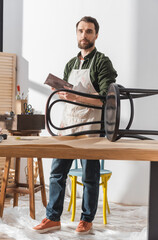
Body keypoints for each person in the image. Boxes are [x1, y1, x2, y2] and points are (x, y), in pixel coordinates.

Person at [33, 16, 117, 235]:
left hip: (91, 126)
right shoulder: (71, 63)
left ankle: (86, 220)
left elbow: (107, 98)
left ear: (96, 35)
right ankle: (53, 218)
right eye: (80, 31)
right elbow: (68, 94)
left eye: (89, 31)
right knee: (57, 173)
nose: (84, 35)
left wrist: (78, 98)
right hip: (67, 125)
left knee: (90, 176)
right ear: (76, 33)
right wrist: (60, 92)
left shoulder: (102, 62)